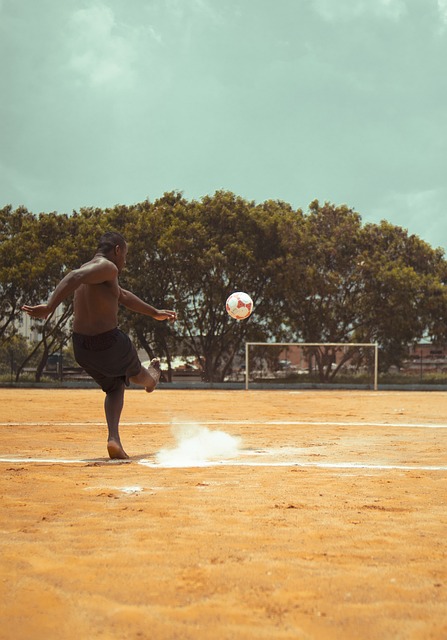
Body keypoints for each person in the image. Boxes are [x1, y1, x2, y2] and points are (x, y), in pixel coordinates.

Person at [22, 231, 177, 460]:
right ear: (117, 250)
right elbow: (73, 276)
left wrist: (154, 313)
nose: (124, 260)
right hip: (109, 341)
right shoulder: (108, 267)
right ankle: (152, 378)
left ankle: (113, 439)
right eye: (125, 254)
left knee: (115, 387)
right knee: (138, 374)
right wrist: (49, 307)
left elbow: (122, 295)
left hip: (81, 348)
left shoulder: (95, 270)